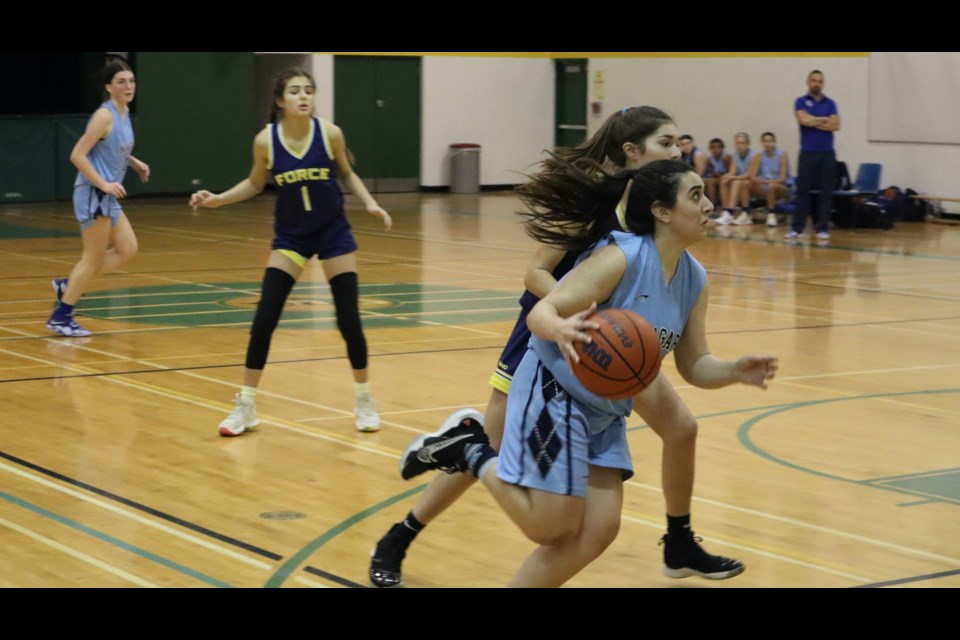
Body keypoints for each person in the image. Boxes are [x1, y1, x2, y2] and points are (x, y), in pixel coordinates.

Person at [398, 159, 779, 588]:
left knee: (599, 529)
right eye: (696, 195)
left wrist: (733, 370)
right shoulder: (621, 257)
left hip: (606, 408)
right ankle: (469, 447)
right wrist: (559, 327)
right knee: (547, 526)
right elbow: (544, 308)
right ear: (662, 211)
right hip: (554, 388)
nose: (710, 205)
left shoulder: (694, 277)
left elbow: (693, 365)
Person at [369, 106, 686, 587]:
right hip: (551, 336)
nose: (678, 151)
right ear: (631, 151)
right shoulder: (594, 203)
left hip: (605, 346)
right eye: (666, 143)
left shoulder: (650, 207)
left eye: (679, 142)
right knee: (489, 447)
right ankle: (401, 534)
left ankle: (679, 537)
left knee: (679, 427)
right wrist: (571, 315)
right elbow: (535, 273)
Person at [189, 69, 392, 436]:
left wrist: (371, 203)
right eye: (295, 91)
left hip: (333, 235)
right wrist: (218, 199)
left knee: (349, 319)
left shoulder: (329, 133)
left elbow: (347, 174)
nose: (304, 97)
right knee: (264, 318)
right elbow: (255, 183)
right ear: (280, 101)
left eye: (309, 91)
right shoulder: (266, 141)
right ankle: (246, 406)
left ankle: (364, 398)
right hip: (292, 238)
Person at [47, 60, 150, 337]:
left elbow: (112, 148)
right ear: (108, 87)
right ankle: (61, 316)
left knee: (127, 248)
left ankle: (69, 285)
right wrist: (104, 183)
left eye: (131, 81)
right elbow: (77, 155)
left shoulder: (124, 112)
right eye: (121, 82)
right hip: (93, 193)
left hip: (107, 195)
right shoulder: (103, 116)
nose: (128, 86)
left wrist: (132, 162)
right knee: (92, 258)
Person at [788, 70, 840, 241]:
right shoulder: (801, 101)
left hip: (827, 154)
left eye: (819, 81)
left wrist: (814, 120)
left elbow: (835, 125)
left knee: (826, 192)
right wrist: (824, 120)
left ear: (822, 83)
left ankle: (822, 227)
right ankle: (797, 228)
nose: (816, 83)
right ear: (808, 82)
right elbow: (803, 120)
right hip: (808, 153)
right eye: (814, 80)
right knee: (803, 191)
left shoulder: (830, 103)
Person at [745, 132, 790, 227]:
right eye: (765, 141)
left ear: (774, 142)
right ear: (762, 143)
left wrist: (766, 181)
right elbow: (751, 175)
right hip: (764, 186)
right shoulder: (759, 156)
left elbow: (782, 178)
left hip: (779, 186)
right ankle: (745, 214)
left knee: (771, 186)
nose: (767, 143)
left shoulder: (782, 155)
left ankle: (771, 214)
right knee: (745, 184)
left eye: (770, 141)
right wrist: (756, 179)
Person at [720, 132, 755, 225]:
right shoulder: (735, 155)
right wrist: (727, 176)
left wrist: (732, 177)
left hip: (754, 181)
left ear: (747, 144)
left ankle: (731, 212)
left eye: (742, 143)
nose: (739, 145)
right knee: (724, 180)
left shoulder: (754, 155)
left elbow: (749, 175)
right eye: (737, 143)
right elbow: (732, 171)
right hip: (742, 179)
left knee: (736, 182)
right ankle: (726, 211)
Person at [702, 138, 734, 222]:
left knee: (712, 182)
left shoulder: (726, 158)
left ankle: (719, 208)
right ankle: (711, 208)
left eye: (717, 147)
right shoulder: (709, 159)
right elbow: (710, 173)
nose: (715, 149)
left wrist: (719, 175)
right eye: (713, 147)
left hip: (727, 179)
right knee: (707, 181)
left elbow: (731, 172)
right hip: (716, 179)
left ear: (722, 148)